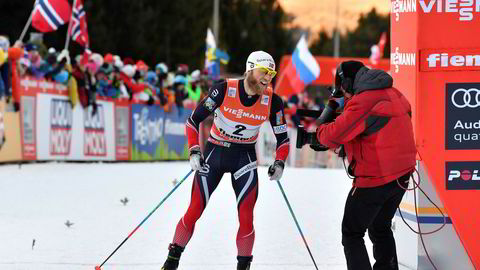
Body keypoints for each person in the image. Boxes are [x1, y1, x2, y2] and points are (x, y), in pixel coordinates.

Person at [161, 51, 290, 270]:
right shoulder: (223, 89)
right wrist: (194, 150)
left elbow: (283, 138)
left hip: (245, 157)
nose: (268, 78)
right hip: (215, 153)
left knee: (247, 217)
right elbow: (193, 121)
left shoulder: (273, 101)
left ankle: (243, 266)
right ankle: (172, 260)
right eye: (263, 72)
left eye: (271, 73)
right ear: (250, 70)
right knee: (194, 210)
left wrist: (279, 162)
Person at [315, 61, 416, 270]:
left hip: (376, 179)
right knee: (380, 227)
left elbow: (332, 136)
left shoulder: (364, 101)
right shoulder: (395, 93)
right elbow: (380, 132)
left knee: (351, 233)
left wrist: (320, 130)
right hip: (402, 175)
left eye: (343, 90)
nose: (345, 95)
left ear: (349, 83)